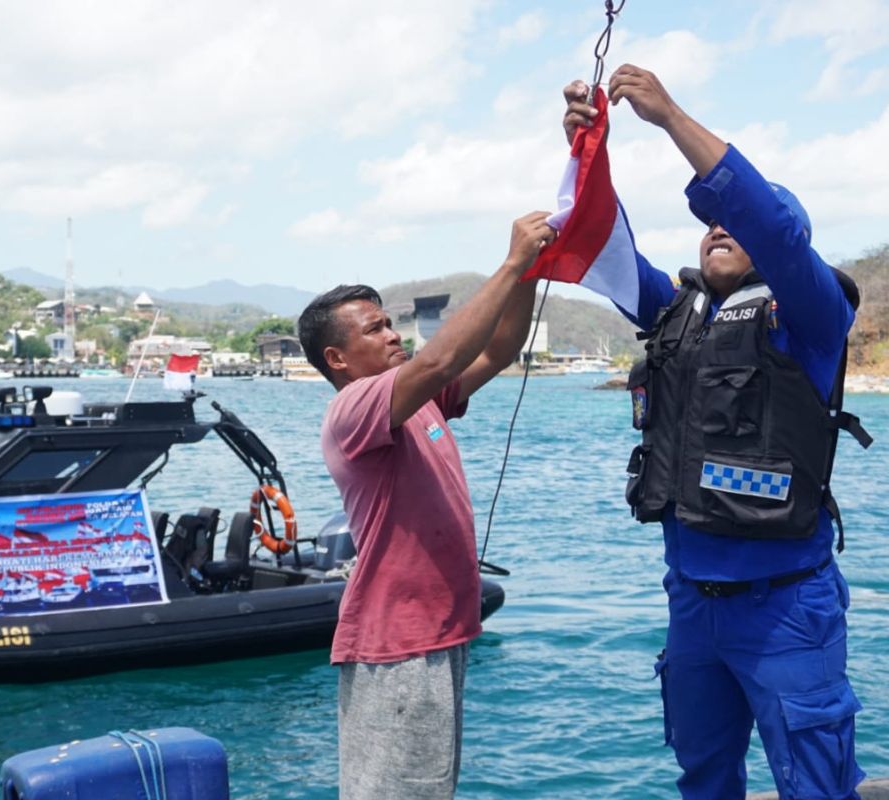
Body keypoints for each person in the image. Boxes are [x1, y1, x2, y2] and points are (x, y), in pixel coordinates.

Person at [562, 65, 867, 798]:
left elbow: (772, 224)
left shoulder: (811, 315)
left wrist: (669, 117)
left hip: (786, 605)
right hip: (692, 603)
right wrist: (586, 151)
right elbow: (599, 249)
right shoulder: (675, 310)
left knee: (815, 781)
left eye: (733, 220)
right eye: (709, 226)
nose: (719, 228)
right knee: (703, 775)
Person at [296, 211, 553, 800]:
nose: (392, 335)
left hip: (438, 634)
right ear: (337, 359)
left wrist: (531, 275)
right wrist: (512, 260)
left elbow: (497, 350)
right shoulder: (355, 407)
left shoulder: (417, 401)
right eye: (374, 329)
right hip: (399, 645)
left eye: (390, 323)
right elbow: (437, 360)